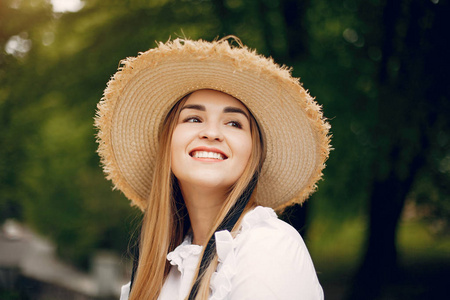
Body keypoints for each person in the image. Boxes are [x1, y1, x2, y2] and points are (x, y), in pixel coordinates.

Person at [95, 37, 331, 300]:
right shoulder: (160, 269)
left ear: (254, 152)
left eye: (233, 123)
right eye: (194, 118)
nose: (211, 133)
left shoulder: (268, 246)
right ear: (168, 143)